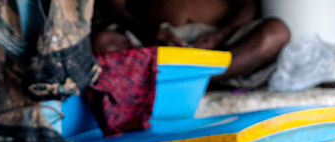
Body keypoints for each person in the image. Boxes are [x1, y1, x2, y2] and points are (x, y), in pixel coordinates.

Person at [92, 0, 290, 88]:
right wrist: (149, 32)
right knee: (103, 43)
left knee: (276, 33)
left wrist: (219, 36)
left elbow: (249, 5)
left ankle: (195, 76)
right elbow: (114, 6)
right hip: (153, 39)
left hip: (217, 42)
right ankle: (185, 77)